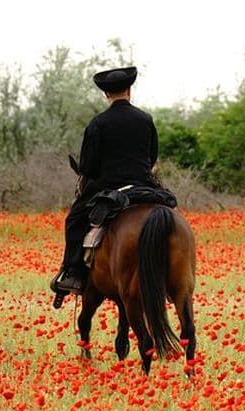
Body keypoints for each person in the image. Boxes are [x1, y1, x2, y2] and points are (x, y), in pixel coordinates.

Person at [54, 66, 160, 294]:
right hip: (144, 185)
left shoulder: (98, 124)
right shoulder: (145, 119)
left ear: (106, 94)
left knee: (74, 220)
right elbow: (152, 157)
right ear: (129, 91)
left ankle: (73, 273)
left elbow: (89, 167)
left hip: (108, 187)